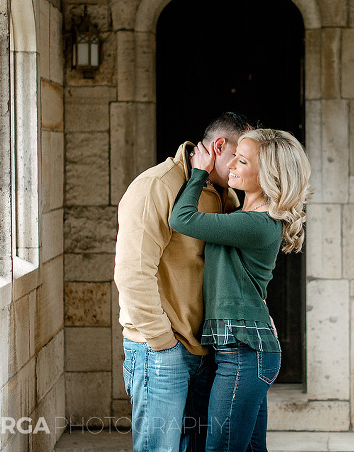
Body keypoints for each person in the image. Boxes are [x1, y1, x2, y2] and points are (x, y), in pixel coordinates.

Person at [114, 112, 254, 452]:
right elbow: (133, 273)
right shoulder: (157, 186)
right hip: (162, 349)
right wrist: (163, 342)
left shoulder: (226, 194)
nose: (247, 167)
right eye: (243, 156)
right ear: (220, 146)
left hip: (206, 348)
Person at [168, 128, 312, 452]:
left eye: (241, 160)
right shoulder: (243, 217)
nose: (230, 163)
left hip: (244, 355)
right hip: (244, 349)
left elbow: (182, 218)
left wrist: (199, 174)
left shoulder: (256, 224)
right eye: (233, 156)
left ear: (267, 177)